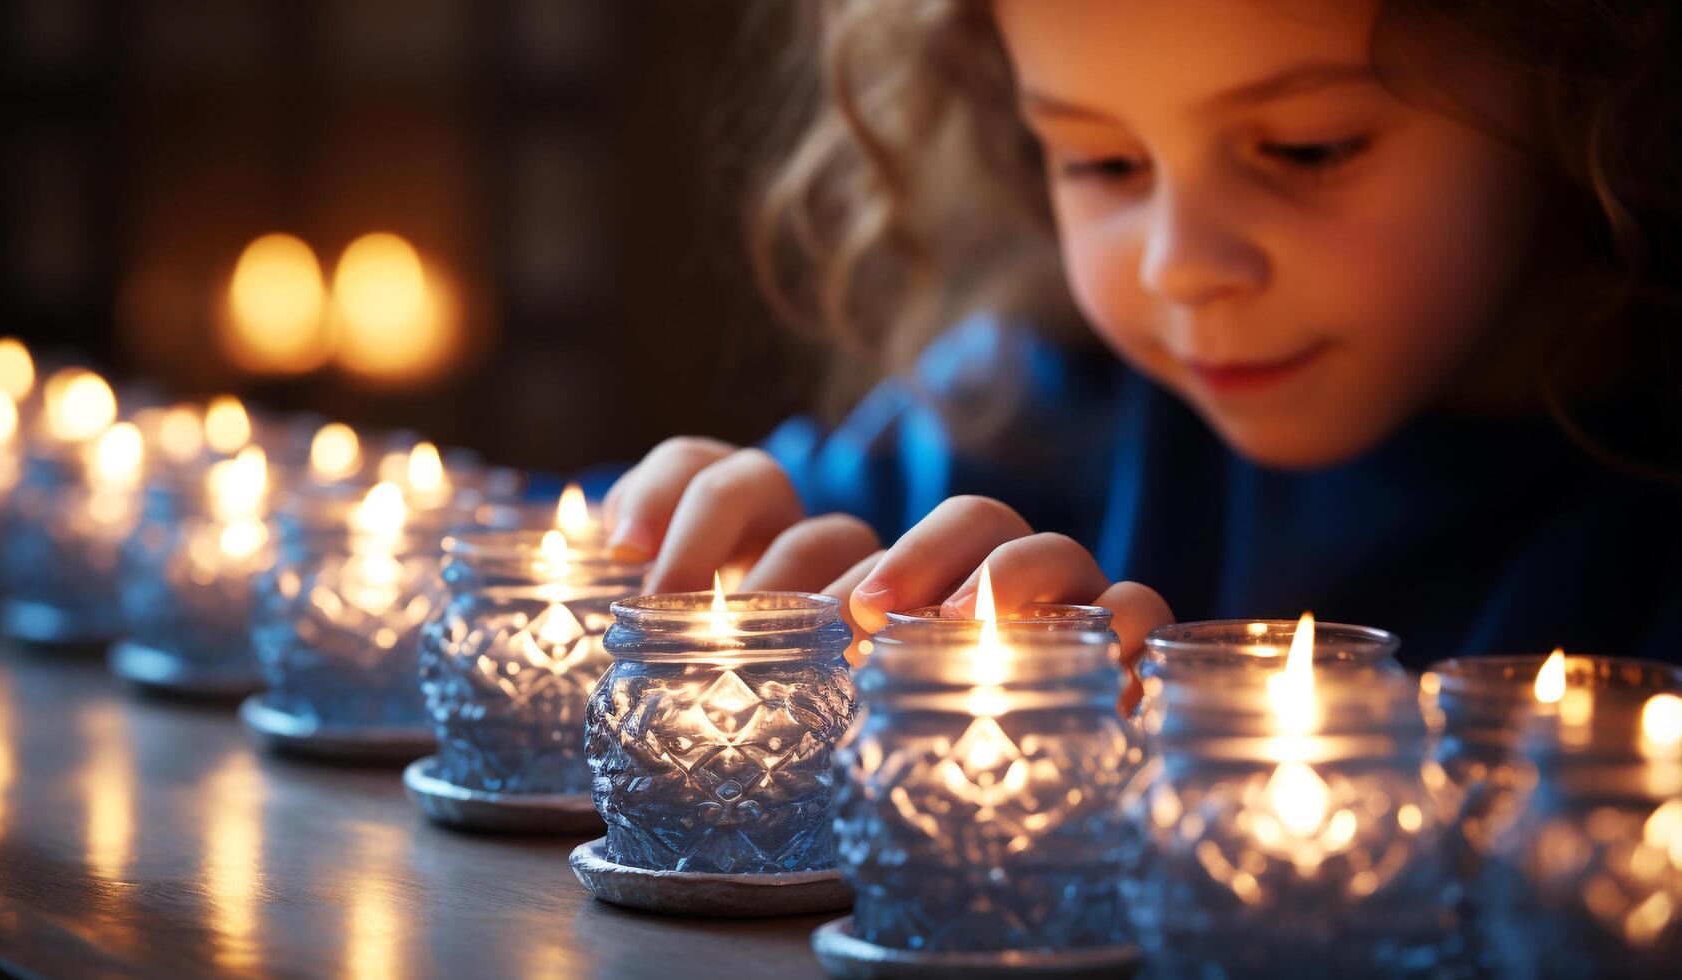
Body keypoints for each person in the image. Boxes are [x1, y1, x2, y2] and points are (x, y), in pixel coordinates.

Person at [603, 0, 1681, 670]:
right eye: (1103, 162)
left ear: (1576, 84)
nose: (1176, 263)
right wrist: (716, 549)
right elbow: (712, 560)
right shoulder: (1022, 411)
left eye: (1306, 149)